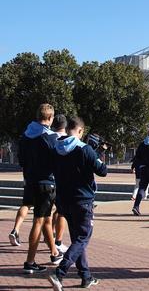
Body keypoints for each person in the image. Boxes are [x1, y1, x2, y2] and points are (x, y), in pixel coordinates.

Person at [47, 117, 107, 290]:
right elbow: (102, 171)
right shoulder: (85, 149)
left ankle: (86, 276)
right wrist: (98, 153)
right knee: (82, 238)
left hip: (63, 200)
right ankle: (59, 272)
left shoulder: (56, 148)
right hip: (82, 200)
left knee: (77, 239)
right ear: (80, 131)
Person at [19, 103, 63, 274]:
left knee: (44, 218)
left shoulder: (25, 136)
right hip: (46, 183)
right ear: (51, 118)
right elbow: (58, 159)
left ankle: (54, 252)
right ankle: (30, 262)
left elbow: (22, 161)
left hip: (30, 181)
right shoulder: (50, 137)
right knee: (39, 220)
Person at [50, 114, 69, 255]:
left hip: (47, 177)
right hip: (62, 179)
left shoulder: (47, 137)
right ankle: (58, 241)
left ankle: (49, 236)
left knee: (48, 212)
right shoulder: (67, 140)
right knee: (62, 211)